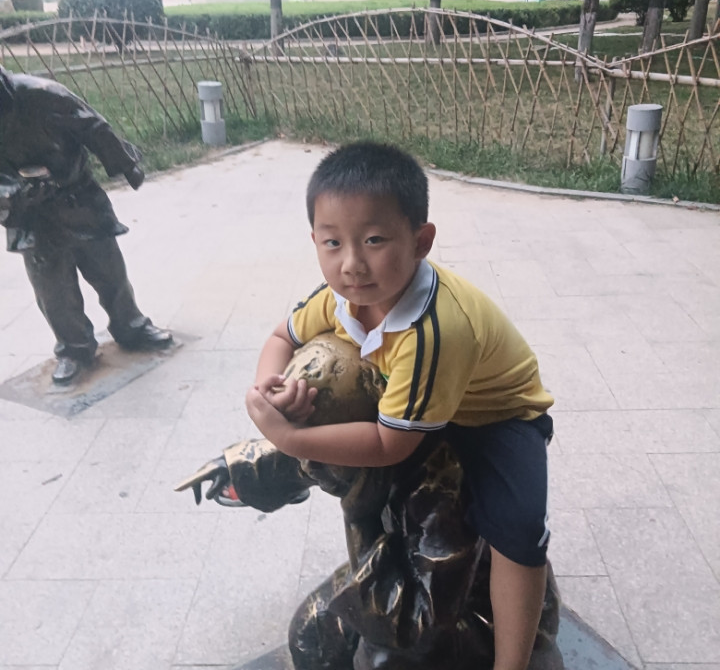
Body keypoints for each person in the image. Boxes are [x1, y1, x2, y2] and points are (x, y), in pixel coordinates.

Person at [244, 141, 555, 670]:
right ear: (315, 241)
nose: (352, 264)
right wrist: (270, 387)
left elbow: (390, 445)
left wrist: (291, 438)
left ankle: (514, 662)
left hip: (496, 415)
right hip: (416, 397)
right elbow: (282, 336)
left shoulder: (431, 329)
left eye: (374, 240)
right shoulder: (341, 297)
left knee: (518, 531)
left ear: (421, 241)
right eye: (333, 242)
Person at [0, 65, 172, 384]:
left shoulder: (41, 94)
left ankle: (131, 326)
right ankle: (74, 349)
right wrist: (12, 192)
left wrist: (125, 165)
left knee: (109, 271)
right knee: (53, 290)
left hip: (78, 197)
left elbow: (93, 126)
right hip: (30, 214)